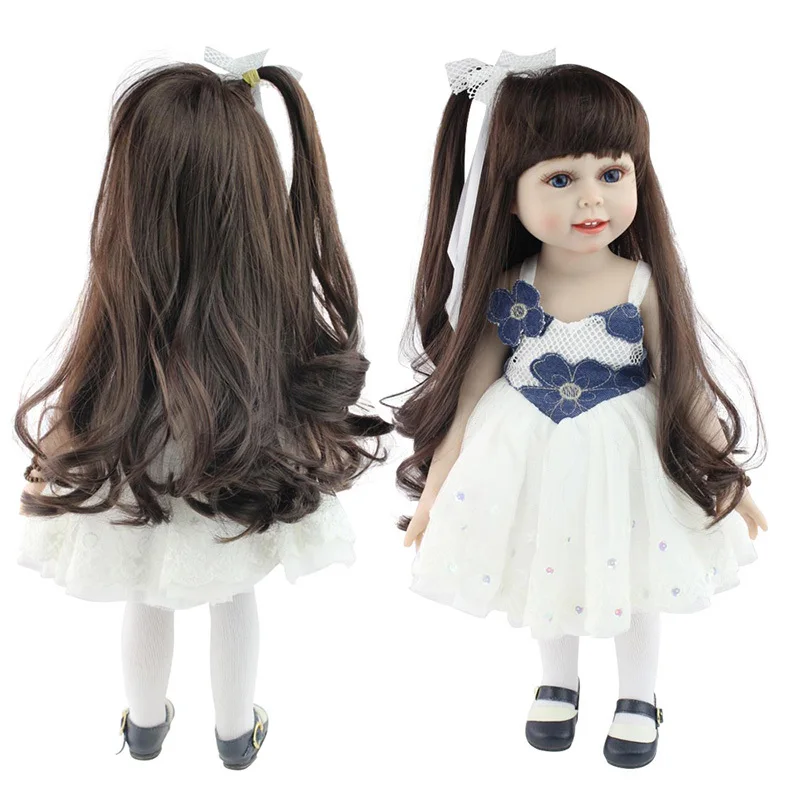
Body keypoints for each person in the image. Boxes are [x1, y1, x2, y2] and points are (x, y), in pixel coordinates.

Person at [15, 49, 391, 770]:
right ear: (254, 191)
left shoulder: (127, 304)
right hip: (238, 453)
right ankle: (234, 734)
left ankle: (144, 727)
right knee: (233, 594)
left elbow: (89, 385)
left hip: (143, 453)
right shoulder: (262, 313)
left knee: (147, 592)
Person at [390, 52, 768, 769]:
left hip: (627, 454)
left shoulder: (642, 283)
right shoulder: (510, 287)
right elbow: (469, 395)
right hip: (526, 449)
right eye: (561, 179)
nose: (592, 200)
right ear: (507, 196)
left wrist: (730, 478)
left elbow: (684, 384)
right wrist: (434, 492)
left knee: (637, 572)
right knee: (550, 562)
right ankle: (557, 682)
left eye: (612, 173)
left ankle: (638, 694)